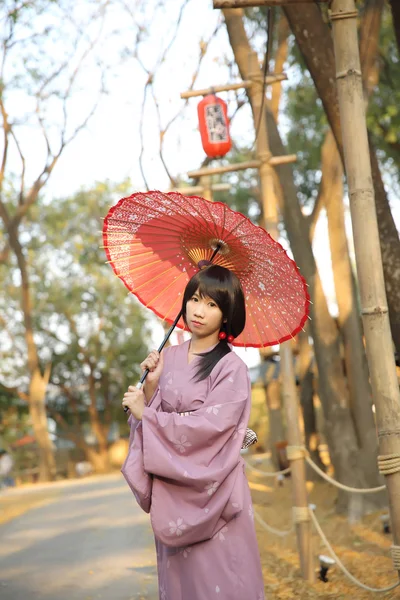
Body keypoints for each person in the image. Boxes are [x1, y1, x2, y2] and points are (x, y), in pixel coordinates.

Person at [121, 265, 265, 600]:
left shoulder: (232, 368)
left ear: (227, 315)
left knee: (223, 579)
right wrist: (150, 390)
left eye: (213, 304)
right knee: (181, 585)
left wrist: (150, 417)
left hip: (217, 490)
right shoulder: (165, 358)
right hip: (175, 491)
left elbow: (212, 427)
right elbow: (145, 419)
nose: (199, 310)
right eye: (196, 298)